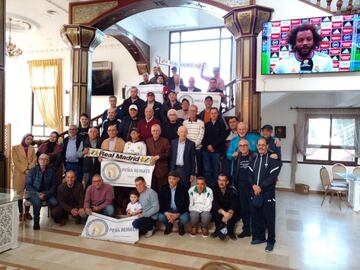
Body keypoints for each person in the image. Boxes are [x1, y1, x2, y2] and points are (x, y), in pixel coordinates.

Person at [248, 138, 281, 252]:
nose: (261, 147)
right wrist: (253, 185)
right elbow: (249, 174)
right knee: (257, 216)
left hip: (267, 193)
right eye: (259, 145)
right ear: (257, 146)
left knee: (269, 218)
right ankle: (259, 238)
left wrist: (260, 186)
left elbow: (272, 177)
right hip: (255, 192)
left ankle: (271, 241)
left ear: (267, 146)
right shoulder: (254, 159)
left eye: (263, 145)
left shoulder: (272, 160)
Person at [25, 154, 58, 230]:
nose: (43, 160)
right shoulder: (32, 171)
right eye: (41, 159)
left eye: (45, 159)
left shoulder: (51, 171)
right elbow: (28, 186)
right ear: (38, 160)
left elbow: (54, 186)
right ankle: (36, 222)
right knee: (37, 202)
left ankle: (54, 216)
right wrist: (38, 194)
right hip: (33, 193)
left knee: (54, 202)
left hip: (46, 193)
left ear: (48, 161)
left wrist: (46, 194)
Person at [233, 139, 255, 238]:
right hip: (241, 187)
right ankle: (246, 230)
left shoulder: (254, 156)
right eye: (241, 145)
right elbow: (235, 172)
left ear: (248, 146)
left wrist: (276, 154)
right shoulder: (237, 157)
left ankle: (256, 230)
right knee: (244, 209)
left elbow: (267, 151)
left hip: (252, 187)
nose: (243, 147)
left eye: (245, 145)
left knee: (253, 209)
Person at [12, 133, 37, 220]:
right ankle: (20, 213)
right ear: (24, 138)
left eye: (31, 139)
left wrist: (29, 169)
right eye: (28, 139)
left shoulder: (32, 148)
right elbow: (16, 161)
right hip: (19, 174)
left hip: (30, 173)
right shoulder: (15, 148)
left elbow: (34, 159)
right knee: (19, 194)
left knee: (29, 193)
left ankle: (27, 212)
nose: (29, 141)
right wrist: (25, 169)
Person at [158, 171, 190, 236]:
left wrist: (177, 215)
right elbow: (161, 203)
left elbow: (185, 204)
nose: (171, 181)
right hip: (169, 210)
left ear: (178, 179)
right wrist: (167, 213)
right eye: (169, 178)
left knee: (185, 218)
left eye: (174, 179)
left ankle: (180, 226)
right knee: (160, 217)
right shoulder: (164, 188)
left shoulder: (183, 189)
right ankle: (168, 225)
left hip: (179, 210)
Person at [202, 107, 226, 187]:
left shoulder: (222, 125)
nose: (213, 115)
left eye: (215, 113)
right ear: (210, 114)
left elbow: (222, 138)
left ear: (218, 114)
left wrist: (213, 146)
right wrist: (208, 145)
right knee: (207, 170)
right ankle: (208, 187)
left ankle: (215, 187)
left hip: (217, 151)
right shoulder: (206, 124)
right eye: (212, 113)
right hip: (206, 151)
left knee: (216, 170)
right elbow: (203, 137)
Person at [211, 174, 238, 240]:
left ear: (227, 182)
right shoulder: (214, 189)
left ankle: (231, 232)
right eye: (219, 180)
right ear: (217, 181)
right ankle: (217, 230)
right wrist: (224, 213)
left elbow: (234, 203)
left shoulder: (232, 190)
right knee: (215, 212)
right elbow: (214, 203)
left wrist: (229, 213)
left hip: (229, 211)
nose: (221, 182)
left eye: (223, 180)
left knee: (235, 213)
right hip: (220, 210)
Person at [146, 124, 170, 192]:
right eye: (154, 131)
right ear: (151, 132)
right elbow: (146, 153)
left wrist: (159, 156)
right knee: (151, 188)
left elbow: (168, 154)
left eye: (157, 130)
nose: (155, 132)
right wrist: (150, 157)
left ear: (160, 132)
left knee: (162, 190)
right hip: (151, 170)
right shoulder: (148, 141)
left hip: (162, 170)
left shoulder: (165, 141)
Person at [182, 105, 205, 176]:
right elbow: (183, 135)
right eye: (191, 111)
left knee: (198, 169)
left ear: (196, 112)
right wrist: (188, 147)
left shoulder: (201, 122)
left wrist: (192, 146)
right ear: (188, 112)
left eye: (194, 111)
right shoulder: (184, 123)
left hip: (197, 149)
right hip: (186, 149)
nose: (192, 112)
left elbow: (201, 136)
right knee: (188, 168)